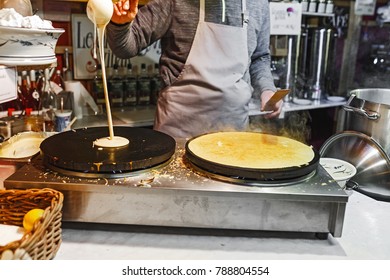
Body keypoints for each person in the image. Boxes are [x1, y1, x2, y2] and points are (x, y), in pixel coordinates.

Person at [107, 0, 281, 138]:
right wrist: (120, 25)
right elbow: (125, 47)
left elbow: (260, 57)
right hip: (179, 130)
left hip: (233, 131)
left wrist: (267, 89)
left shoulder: (258, 4)